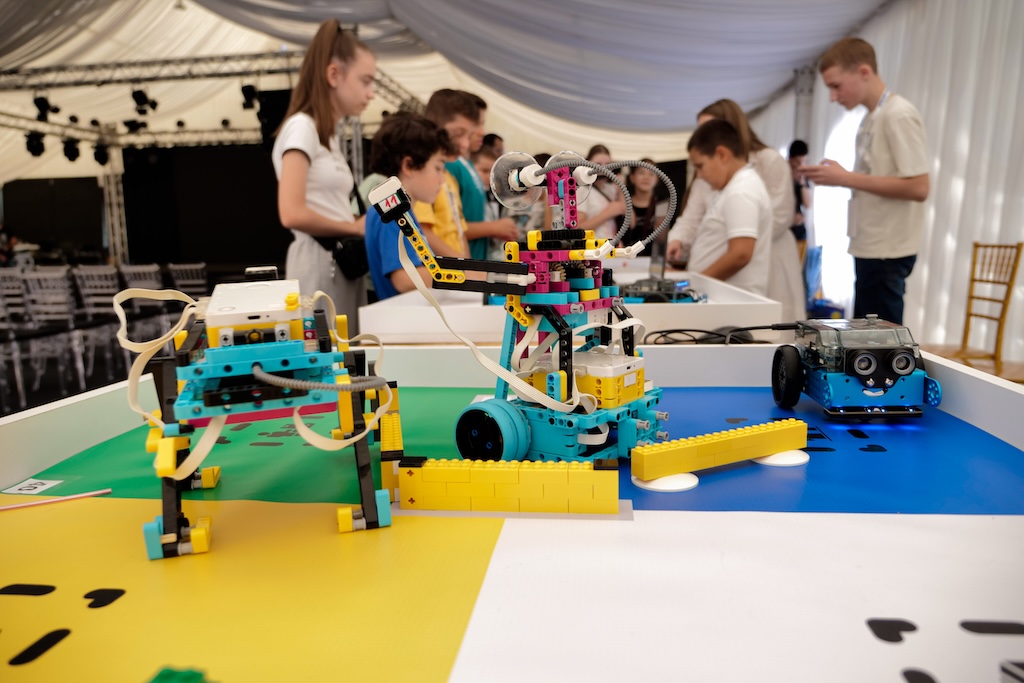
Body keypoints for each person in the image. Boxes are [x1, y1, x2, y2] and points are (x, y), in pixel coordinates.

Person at [800, 37, 930, 324]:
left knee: (878, 344)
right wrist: (843, 176)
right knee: (866, 339)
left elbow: (919, 187)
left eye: (836, 86)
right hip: (872, 246)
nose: (833, 97)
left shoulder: (898, 114)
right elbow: (880, 178)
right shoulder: (873, 117)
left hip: (886, 251)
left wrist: (845, 178)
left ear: (864, 72)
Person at [272, 19, 375, 336]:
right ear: (333, 75)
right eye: (365, 81)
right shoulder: (302, 127)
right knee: (328, 356)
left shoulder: (325, 135)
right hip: (319, 263)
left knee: (348, 352)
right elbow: (291, 213)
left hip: (338, 263)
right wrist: (354, 226)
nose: (371, 93)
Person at [667, 99, 805, 322]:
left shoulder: (745, 182)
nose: (704, 134)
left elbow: (744, 247)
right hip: (721, 282)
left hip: (759, 265)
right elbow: (693, 217)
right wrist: (679, 239)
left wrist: (698, 281)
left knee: (774, 327)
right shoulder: (727, 180)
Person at [364, 113, 451, 301]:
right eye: (438, 168)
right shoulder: (390, 210)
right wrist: (466, 276)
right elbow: (404, 279)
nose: (442, 180)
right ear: (409, 166)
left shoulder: (402, 210)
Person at [681, 119, 772, 296]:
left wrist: (693, 287)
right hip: (722, 297)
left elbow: (740, 254)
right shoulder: (732, 187)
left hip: (731, 300)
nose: (699, 175)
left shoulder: (741, 190)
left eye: (700, 166)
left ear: (722, 154)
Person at [444, 91, 519, 260]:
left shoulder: (468, 166)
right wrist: (493, 227)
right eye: (476, 125)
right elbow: (448, 227)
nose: (481, 132)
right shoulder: (452, 166)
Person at [573, 144, 626, 239]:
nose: (603, 169)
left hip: (612, 244)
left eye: (607, 164)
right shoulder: (582, 190)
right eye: (598, 164)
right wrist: (607, 213)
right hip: (594, 245)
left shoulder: (611, 188)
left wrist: (621, 189)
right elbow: (578, 228)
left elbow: (631, 221)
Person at [620, 158, 669, 247]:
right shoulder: (623, 204)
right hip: (627, 254)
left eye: (651, 173)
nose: (646, 177)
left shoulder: (663, 204)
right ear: (632, 177)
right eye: (641, 173)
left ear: (657, 179)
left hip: (654, 255)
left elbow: (663, 239)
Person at [788, 139, 812, 246]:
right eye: (797, 162)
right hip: (784, 228)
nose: (800, 165)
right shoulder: (781, 174)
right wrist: (789, 218)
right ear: (790, 159)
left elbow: (808, 204)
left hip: (799, 228)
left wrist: (802, 183)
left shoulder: (803, 175)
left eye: (804, 162)